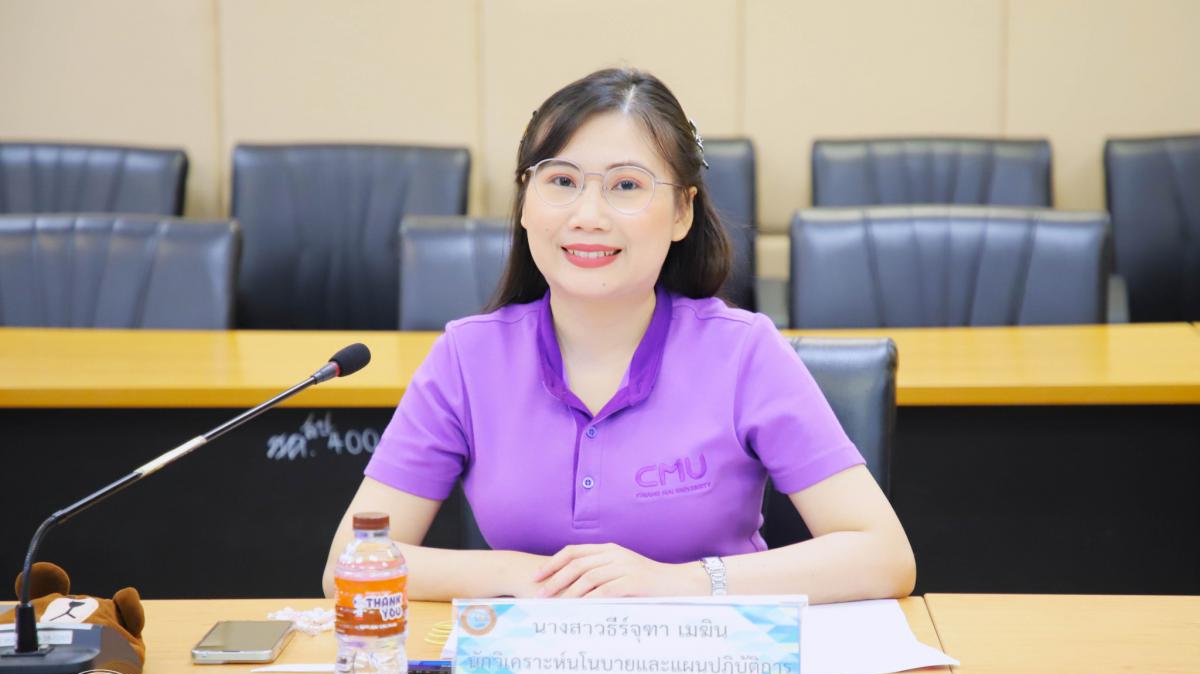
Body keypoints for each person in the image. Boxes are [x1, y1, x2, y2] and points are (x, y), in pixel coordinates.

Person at [323, 68, 915, 604]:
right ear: (525, 203)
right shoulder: (467, 357)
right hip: (536, 671)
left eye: (626, 186)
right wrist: (519, 574)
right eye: (561, 180)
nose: (588, 215)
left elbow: (884, 555)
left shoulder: (743, 351)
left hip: (715, 668)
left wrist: (679, 582)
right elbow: (350, 564)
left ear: (682, 212)